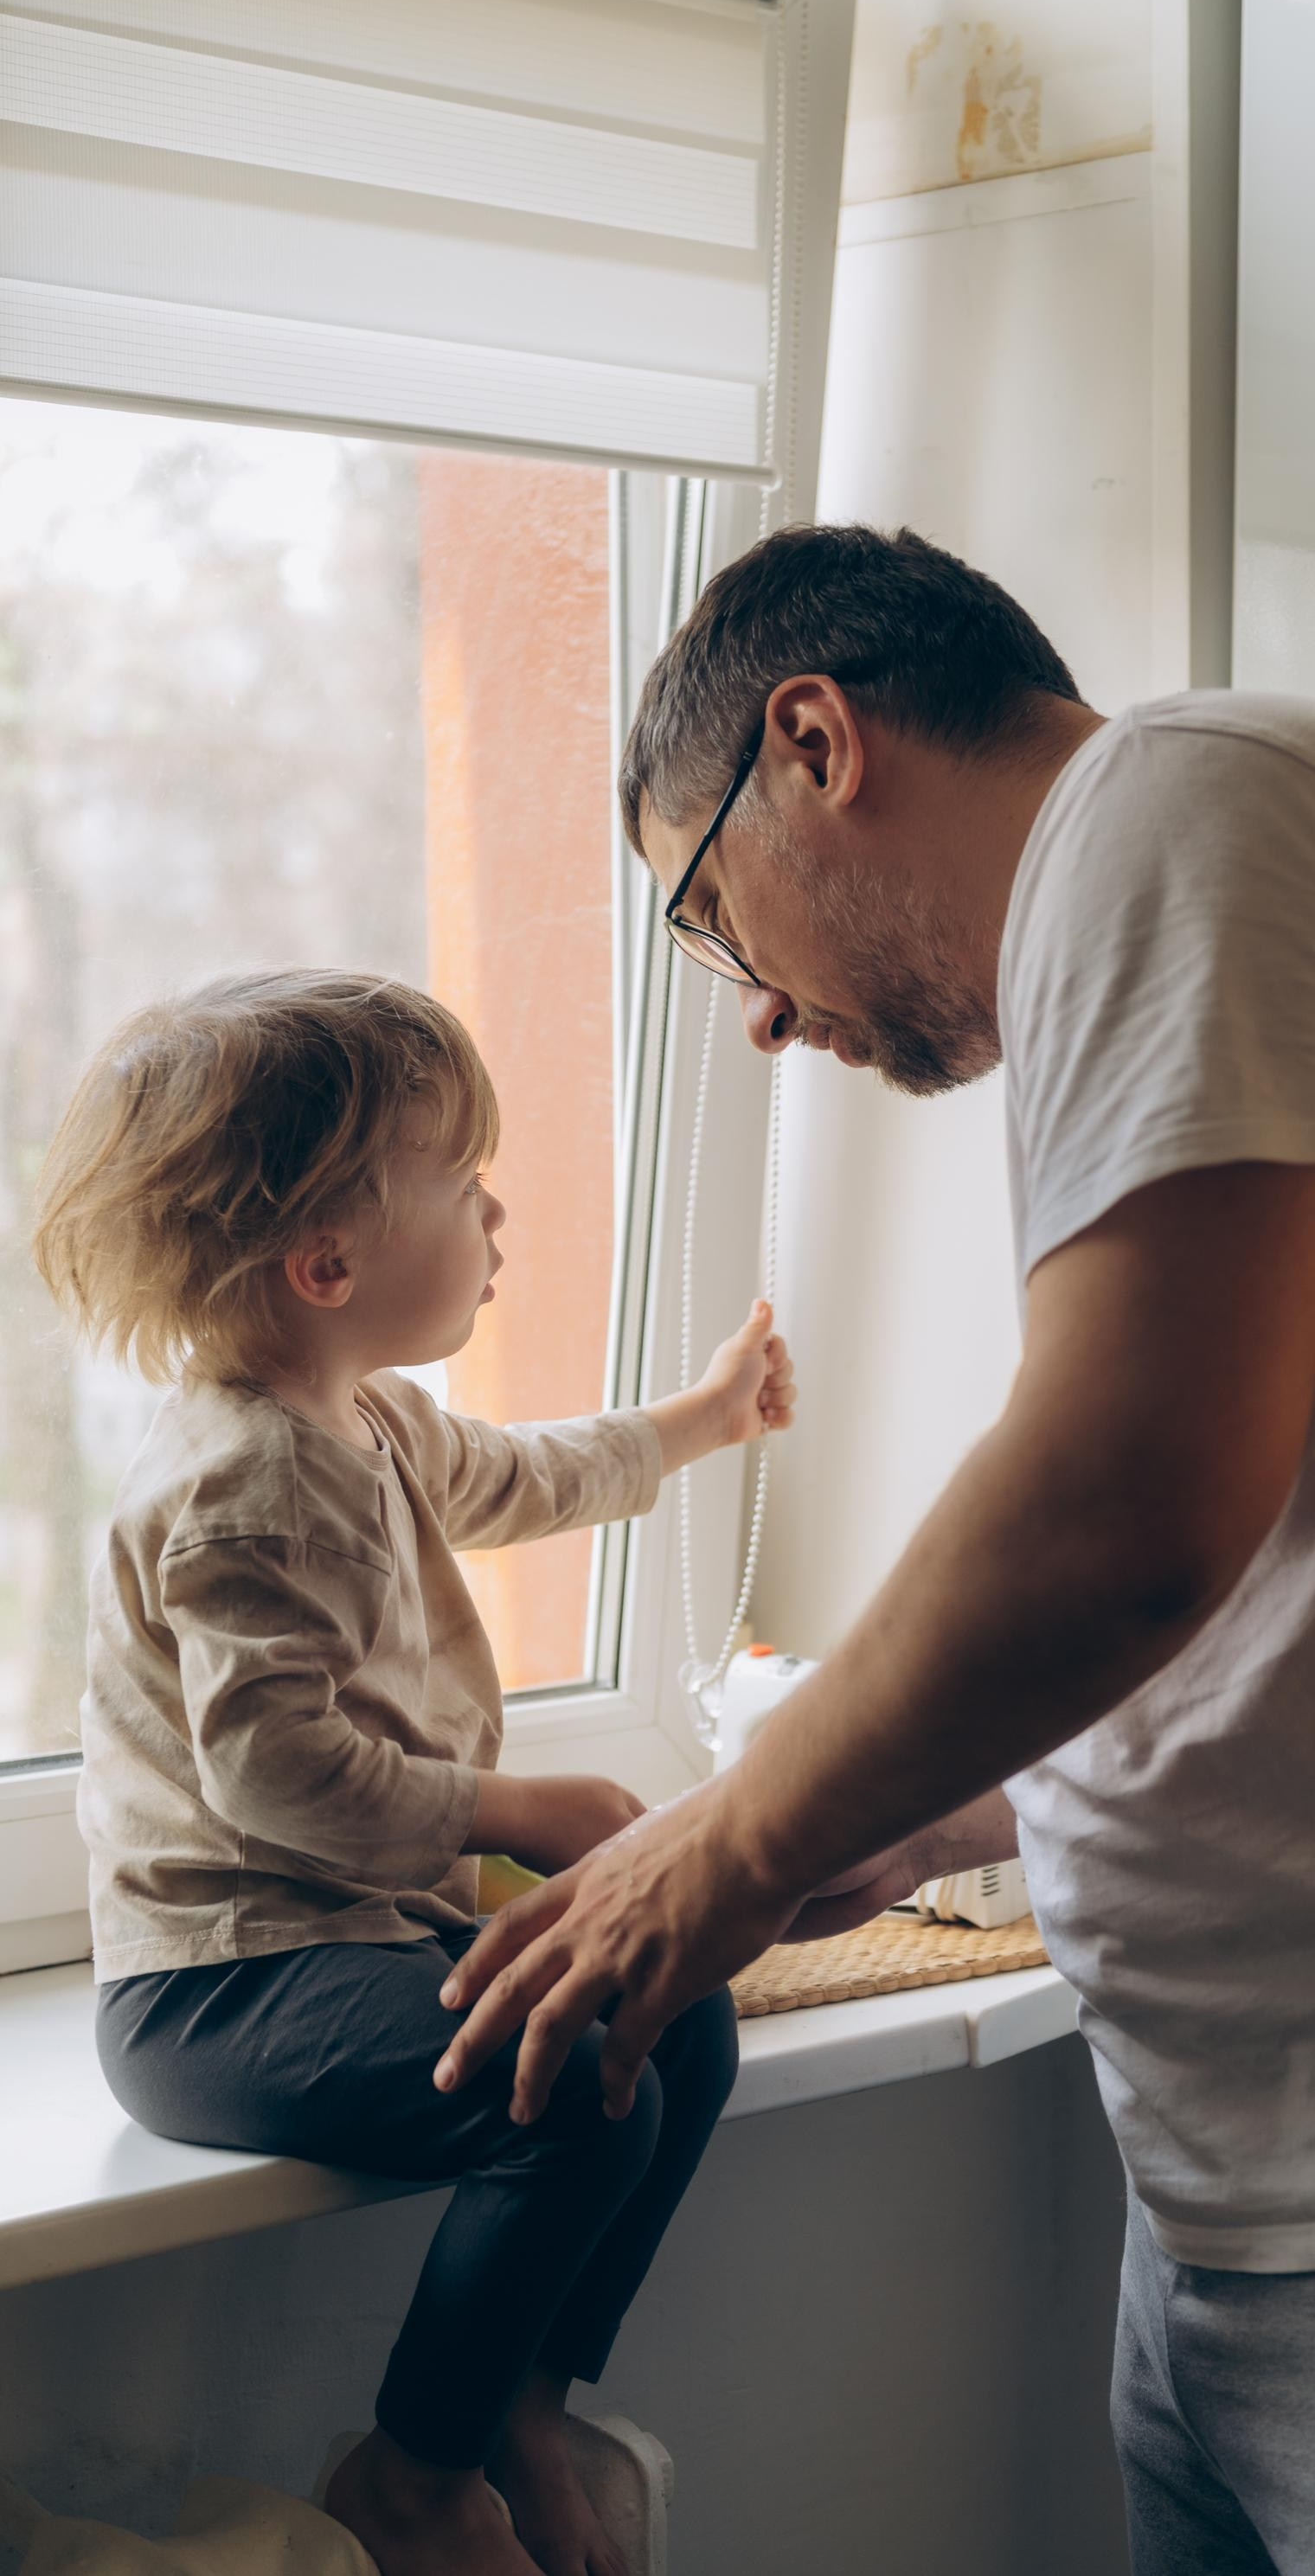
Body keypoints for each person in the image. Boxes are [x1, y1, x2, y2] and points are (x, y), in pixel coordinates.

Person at [432, 524, 1315, 2573]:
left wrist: (736, 1833)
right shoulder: (1178, 881)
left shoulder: (1187, 805)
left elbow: (1129, 1503)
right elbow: (1304, 1565)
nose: (758, 1018)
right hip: (1253, 2184)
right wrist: (925, 1817)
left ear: (814, 742)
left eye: (705, 917)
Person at [33, 971, 796, 2576]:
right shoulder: (246, 1483)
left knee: (675, 2005)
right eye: (464, 1181)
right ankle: (416, 2472)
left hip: (348, 1938)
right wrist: (519, 1810)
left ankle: (516, 2394)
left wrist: (699, 1423)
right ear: (326, 1263)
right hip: (218, 1990)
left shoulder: (362, 1420)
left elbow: (521, 1474)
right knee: (581, 2101)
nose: (497, 1205)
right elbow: (278, 1777)